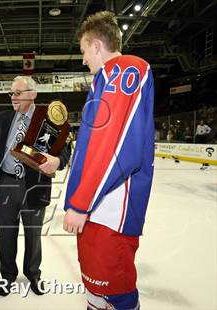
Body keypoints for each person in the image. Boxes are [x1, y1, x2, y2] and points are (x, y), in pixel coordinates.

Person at [63, 11, 155, 310]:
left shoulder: (124, 69)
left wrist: (80, 203)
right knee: (96, 288)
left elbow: (114, 146)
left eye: (83, 51)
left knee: (116, 291)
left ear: (97, 46)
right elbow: (95, 144)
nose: (83, 59)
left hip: (110, 209)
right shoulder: (105, 78)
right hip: (98, 207)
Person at [0, 75, 71, 297]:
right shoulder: (3, 117)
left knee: (33, 234)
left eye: (18, 93)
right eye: (11, 93)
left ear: (33, 94)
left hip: (34, 185)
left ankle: (33, 274)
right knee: (5, 234)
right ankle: (7, 276)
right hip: (6, 183)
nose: (13, 98)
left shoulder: (49, 121)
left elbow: (64, 151)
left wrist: (58, 162)